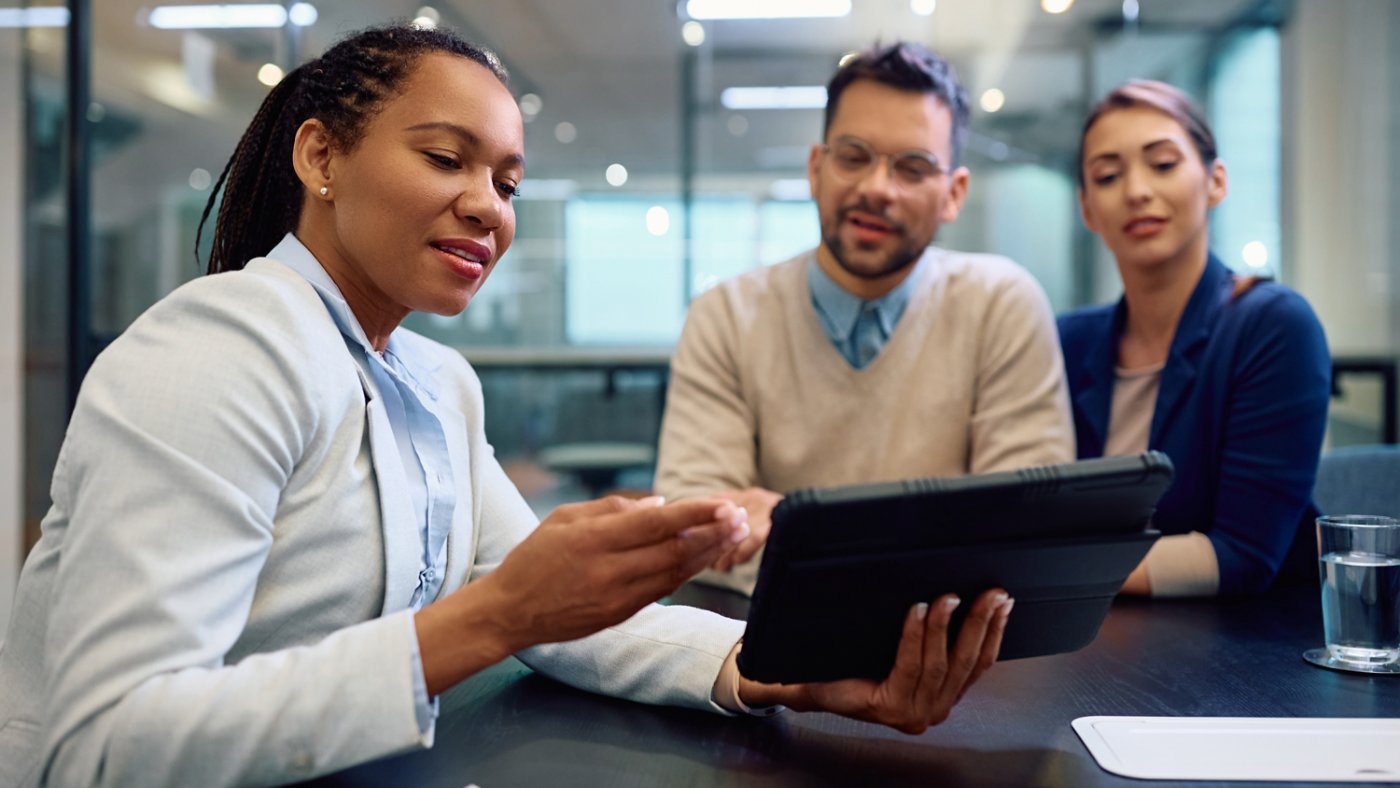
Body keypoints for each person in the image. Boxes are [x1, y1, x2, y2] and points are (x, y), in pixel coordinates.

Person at [0, 25, 1015, 787]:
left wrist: (775, 672)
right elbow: (108, 742)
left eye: (508, 180)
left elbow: (552, 617)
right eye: (447, 159)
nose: (489, 205)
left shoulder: (438, 382)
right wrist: (493, 614)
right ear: (321, 158)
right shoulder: (215, 352)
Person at [654, 41, 1074, 595]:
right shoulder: (725, 316)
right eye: (853, 156)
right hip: (766, 650)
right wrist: (931, 550)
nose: (877, 188)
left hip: (963, 657)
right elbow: (693, 537)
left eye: (913, 167)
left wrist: (799, 535)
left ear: (954, 194)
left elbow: (1025, 533)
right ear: (816, 168)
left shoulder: (1002, 304)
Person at [1059, 80, 1331, 597]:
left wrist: (1059, 570)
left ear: (1216, 181)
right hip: (1095, 643)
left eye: (1162, 165)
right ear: (1088, 209)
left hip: (1248, 654)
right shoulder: (1067, 341)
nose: (1137, 190)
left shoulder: (1273, 325)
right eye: (1109, 175)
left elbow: (1245, 554)